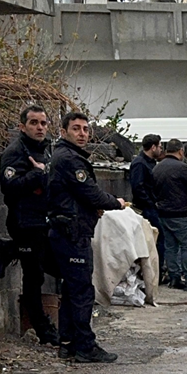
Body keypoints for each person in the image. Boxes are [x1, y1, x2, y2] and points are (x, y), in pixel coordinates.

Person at [49, 112, 128, 358]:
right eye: (76, 129)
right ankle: (84, 346)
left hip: (72, 229)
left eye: (85, 129)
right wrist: (116, 202)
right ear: (64, 132)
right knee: (81, 290)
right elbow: (89, 192)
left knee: (72, 289)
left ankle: (69, 343)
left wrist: (91, 207)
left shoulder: (68, 156)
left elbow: (77, 196)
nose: (82, 133)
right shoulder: (70, 159)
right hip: (72, 233)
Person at [0, 105, 60, 344]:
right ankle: (42, 329)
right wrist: (36, 175)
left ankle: (8, 249)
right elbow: (8, 188)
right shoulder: (15, 152)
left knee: (53, 267)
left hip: (44, 221)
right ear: (22, 126)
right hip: (24, 222)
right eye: (34, 123)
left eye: (43, 123)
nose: (40, 127)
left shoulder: (45, 150)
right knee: (33, 277)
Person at [153, 139, 187, 291]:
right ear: (181, 151)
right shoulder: (183, 168)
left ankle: (174, 277)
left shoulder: (157, 168)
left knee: (171, 247)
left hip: (163, 212)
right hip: (181, 212)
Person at [128, 134, 164, 273]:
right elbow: (138, 187)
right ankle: (154, 272)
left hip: (153, 206)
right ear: (153, 147)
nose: (161, 150)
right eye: (160, 146)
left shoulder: (150, 162)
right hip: (146, 209)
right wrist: (150, 203)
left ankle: (157, 270)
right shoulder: (139, 163)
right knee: (153, 240)